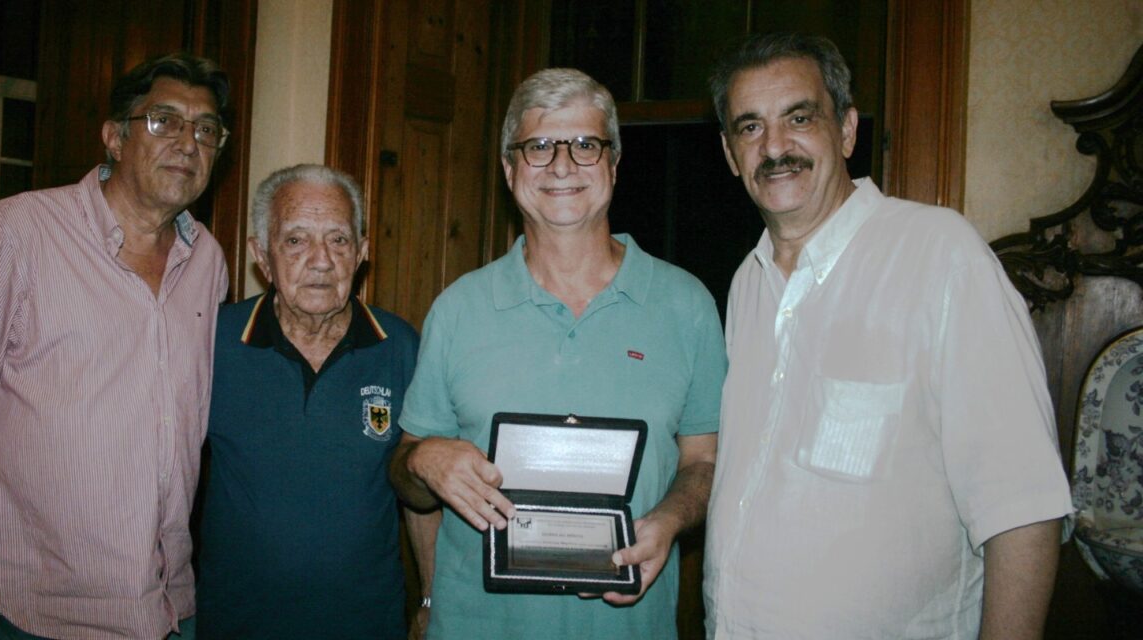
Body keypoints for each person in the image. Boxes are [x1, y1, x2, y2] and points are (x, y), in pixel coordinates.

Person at [702, 33, 1073, 639]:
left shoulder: (939, 255)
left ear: (847, 130)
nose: (774, 147)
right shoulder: (748, 282)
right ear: (728, 152)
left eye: (800, 117)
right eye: (749, 128)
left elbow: (1023, 505)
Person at [0, 53, 231, 639]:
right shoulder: (21, 231)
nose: (188, 141)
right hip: (30, 608)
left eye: (206, 129)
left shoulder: (207, 260)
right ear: (114, 138)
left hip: (165, 605)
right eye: (164, 121)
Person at [389, 68, 728, 640]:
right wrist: (422, 460)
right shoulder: (459, 308)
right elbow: (406, 475)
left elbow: (706, 462)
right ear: (509, 169)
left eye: (585, 145)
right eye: (539, 146)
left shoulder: (685, 304)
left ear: (614, 166)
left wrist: (669, 521)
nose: (563, 165)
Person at [195, 164, 437, 639]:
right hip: (236, 622)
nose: (322, 260)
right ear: (261, 255)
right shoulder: (213, 342)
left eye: (339, 240)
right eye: (296, 240)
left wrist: (430, 598)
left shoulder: (401, 347)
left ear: (362, 252)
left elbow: (421, 491)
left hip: (366, 624)